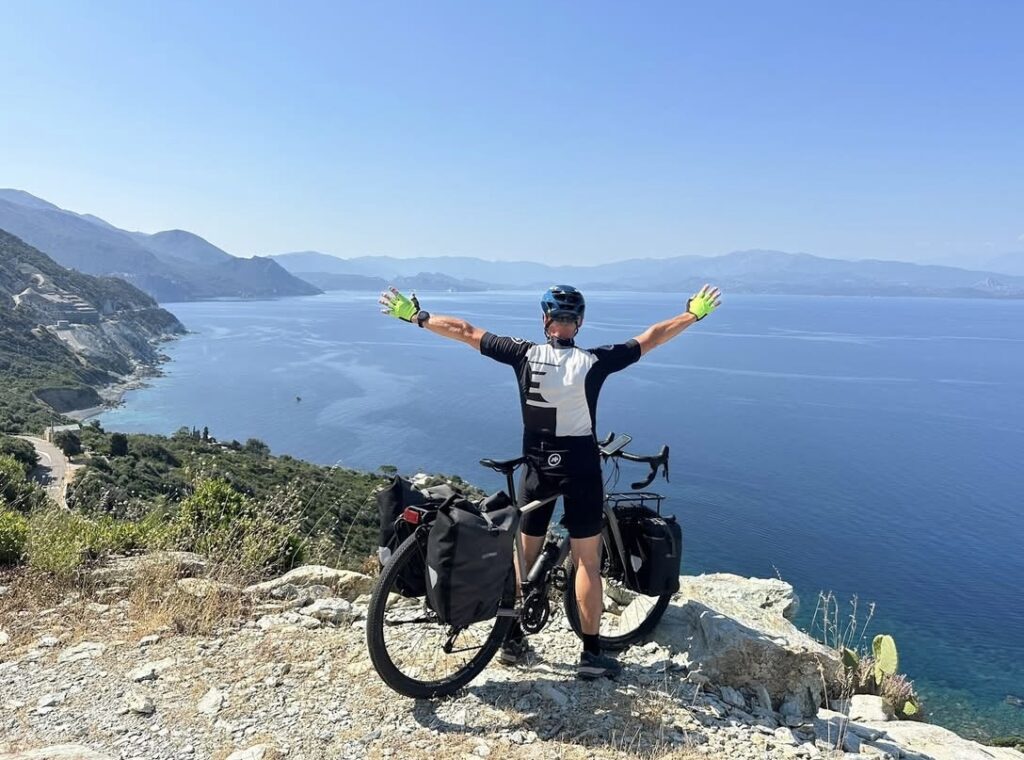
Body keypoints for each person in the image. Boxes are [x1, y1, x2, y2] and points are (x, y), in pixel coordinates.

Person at [379, 283, 722, 679]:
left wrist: (417, 316)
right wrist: (693, 313)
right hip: (580, 469)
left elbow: (464, 330)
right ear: (579, 322)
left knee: (524, 558)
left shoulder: (522, 353)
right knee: (588, 563)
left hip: (538, 469)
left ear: (545, 320)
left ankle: (511, 638)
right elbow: (652, 337)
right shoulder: (594, 361)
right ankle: (591, 655)